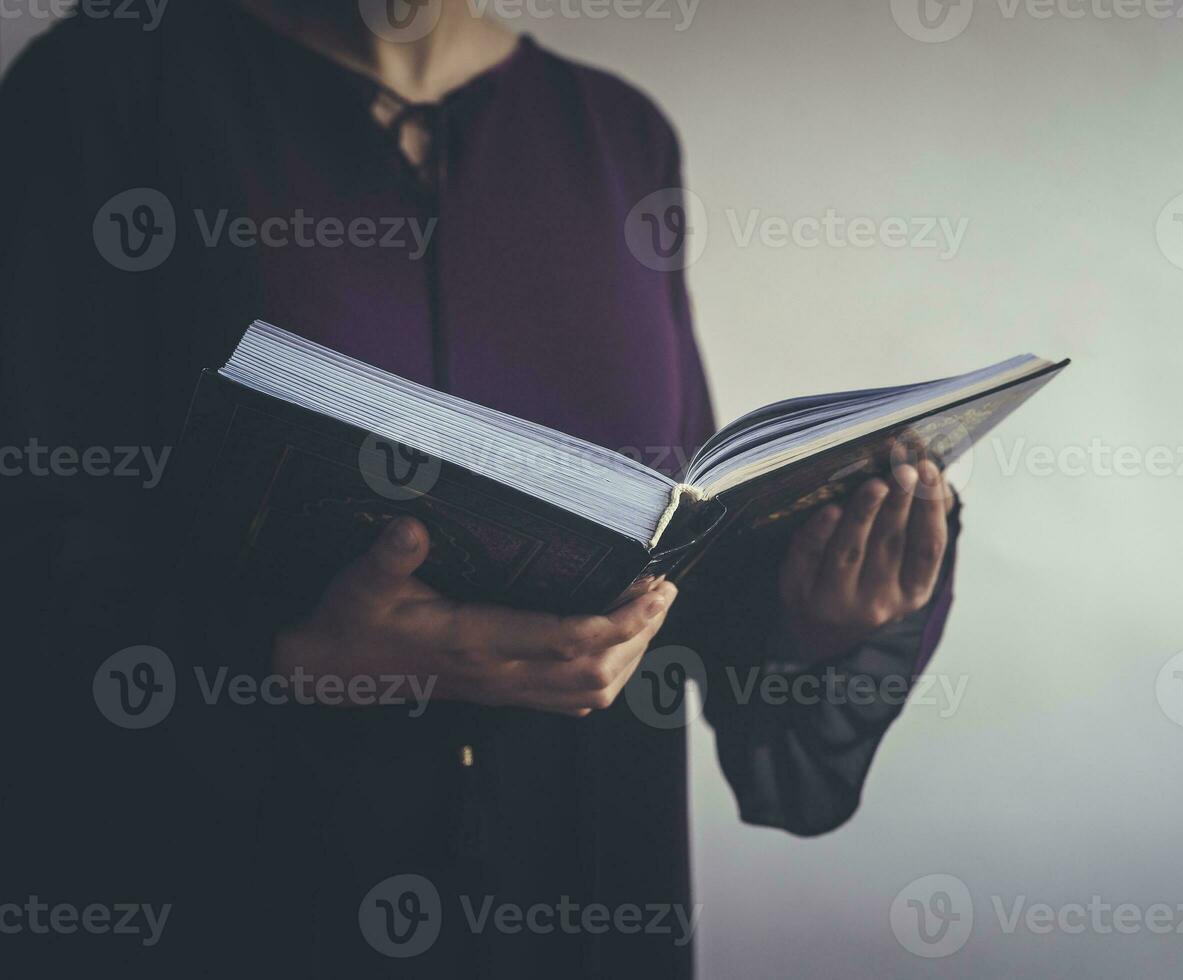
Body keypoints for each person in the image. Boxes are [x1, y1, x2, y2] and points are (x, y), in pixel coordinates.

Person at [0, 2, 961, 975]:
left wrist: (819, 609)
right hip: (240, 886)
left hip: (577, 881)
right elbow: (25, 533)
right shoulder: (107, 87)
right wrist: (290, 660)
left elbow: (680, 541)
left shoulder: (620, 132)